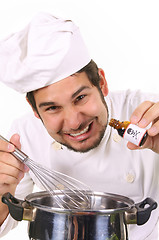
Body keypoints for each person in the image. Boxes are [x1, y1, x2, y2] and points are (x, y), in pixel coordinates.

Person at [0, 12, 159, 240]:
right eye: (52, 108)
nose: (75, 122)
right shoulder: (24, 136)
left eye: (80, 98)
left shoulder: (149, 115)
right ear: (34, 110)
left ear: (101, 83)